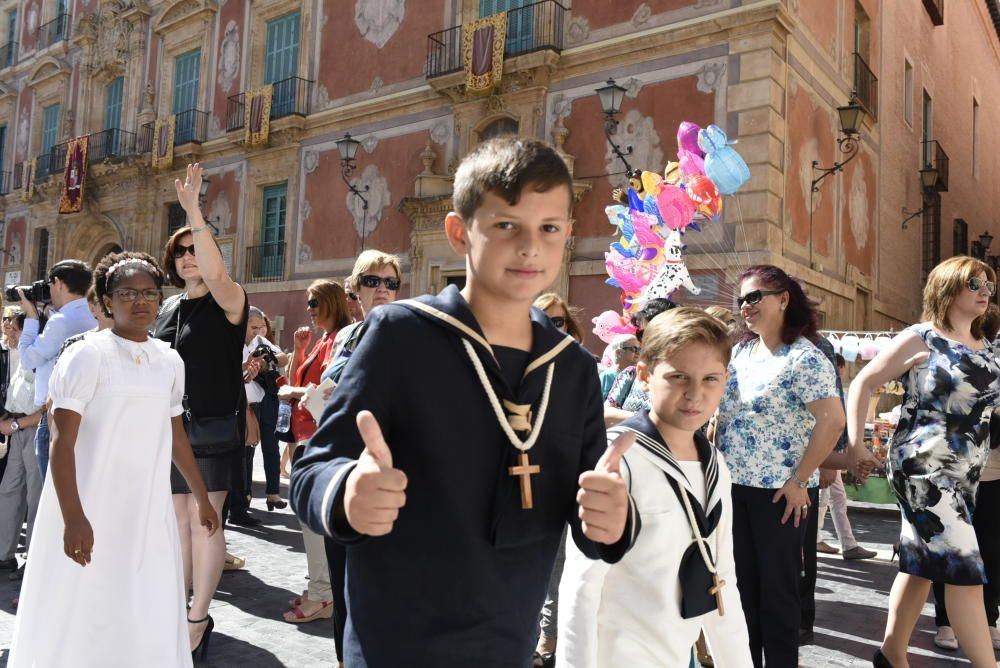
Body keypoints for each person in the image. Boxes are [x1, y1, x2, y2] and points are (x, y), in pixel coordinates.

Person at [290, 136, 638, 667]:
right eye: (506, 226)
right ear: (459, 232)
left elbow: (588, 505)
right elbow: (314, 467)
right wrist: (346, 493)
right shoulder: (401, 335)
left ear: (568, 234)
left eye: (548, 228)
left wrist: (614, 521)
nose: (530, 247)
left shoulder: (572, 368)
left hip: (508, 642)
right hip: (398, 640)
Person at [8, 251, 219, 665]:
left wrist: (201, 496)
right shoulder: (87, 355)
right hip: (88, 503)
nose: (140, 302)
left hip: (145, 507)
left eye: (149, 294)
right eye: (127, 293)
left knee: (142, 602)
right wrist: (73, 517)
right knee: (85, 605)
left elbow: (176, 436)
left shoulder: (169, 361)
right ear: (106, 300)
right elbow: (61, 441)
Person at [560, 307, 751, 667]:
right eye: (679, 376)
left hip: (677, 654)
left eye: (710, 379)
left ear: (726, 380)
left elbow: (722, 578)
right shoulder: (618, 459)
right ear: (645, 375)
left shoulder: (716, 465)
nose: (695, 394)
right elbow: (580, 586)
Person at [846, 257, 1000, 668]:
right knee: (963, 568)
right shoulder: (923, 338)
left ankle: (891, 653)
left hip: (967, 473)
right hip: (924, 469)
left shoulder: (988, 347)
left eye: (989, 283)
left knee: (920, 564)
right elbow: (863, 382)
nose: (985, 290)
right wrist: (856, 444)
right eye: (974, 282)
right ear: (948, 288)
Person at [715, 265, 845, 667]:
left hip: (779, 494)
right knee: (740, 591)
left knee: (778, 595)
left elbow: (833, 420)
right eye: (741, 300)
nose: (745, 307)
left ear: (784, 299)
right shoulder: (741, 351)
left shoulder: (804, 357)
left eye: (755, 297)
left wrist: (799, 480)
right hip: (732, 488)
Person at [153, 163, 248, 655]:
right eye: (182, 251)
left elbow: (216, 272)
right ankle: (174, 607)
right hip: (168, 433)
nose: (190, 257)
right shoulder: (167, 310)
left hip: (210, 430)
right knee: (174, 519)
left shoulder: (229, 300)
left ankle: (198, 616)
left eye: (197, 249)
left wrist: (193, 211)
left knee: (203, 520)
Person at [316, 250, 400, 661]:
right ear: (353, 288)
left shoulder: (406, 335)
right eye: (373, 281)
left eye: (390, 282)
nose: (382, 289)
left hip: (383, 470)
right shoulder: (346, 337)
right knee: (341, 579)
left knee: (378, 581)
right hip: (341, 466)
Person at [279, 279, 350, 624]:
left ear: (332, 303)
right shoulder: (324, 340)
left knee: (313, 523)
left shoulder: (339, 341)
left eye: (314, 303)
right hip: (307, 436)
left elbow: (325, 393)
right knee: (310, 521)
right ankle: (320, 587)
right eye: (307, 303)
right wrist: (298, 350)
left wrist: (293, 390)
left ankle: (323, 595)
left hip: (319, 439)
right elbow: (302, 381)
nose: (309, 309)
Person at [17, 260, 97, 480]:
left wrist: (32, 319)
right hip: (87, 414)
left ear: (59, 283)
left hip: (55, 417)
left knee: (52, 493)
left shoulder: (62, 320)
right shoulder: (93, 313)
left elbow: (27, 359)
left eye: (50, 284)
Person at [816, 353, 877, 561]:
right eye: (840, 367)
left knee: (833, 498)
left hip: (830, 452)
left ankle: (845, 543)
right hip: (826, 452)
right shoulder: (829, 388)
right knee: (829, 498)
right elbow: (832, 425)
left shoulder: (834, 388)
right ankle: (844, 543)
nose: (841, 371)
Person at [0, 310, 43, 579]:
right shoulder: (17, 354)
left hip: (33, 429)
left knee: (35, 498)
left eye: (16, 327)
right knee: (9, 491)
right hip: (16, 429)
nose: (11, 331)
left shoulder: (40, 355)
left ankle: (34, 562)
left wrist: (17, 425)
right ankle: (3, 555)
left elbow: (48, 405)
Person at [239, 307, 289, 515]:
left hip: (265, 403)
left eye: (261, 327)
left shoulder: (261, 342)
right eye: (253, 327)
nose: (258, 331)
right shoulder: (232, 341)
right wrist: (249, 363)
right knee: (246, 453)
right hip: (244, 405)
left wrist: (271, 358)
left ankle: (273, 493)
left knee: (271, 447)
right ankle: (244, 498)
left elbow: (284, 357)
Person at [604, 298, 680, 426]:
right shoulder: (630, 374)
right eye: (641, 333)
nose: (644, 339)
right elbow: (606, 414)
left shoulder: (688, 377)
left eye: (652, 332)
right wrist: (648, 419)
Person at [600, 333, 640, 399]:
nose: (638, 353)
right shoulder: (607, 376)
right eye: (634, 349)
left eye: (639, 349)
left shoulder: (641, 374)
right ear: (619, 352)